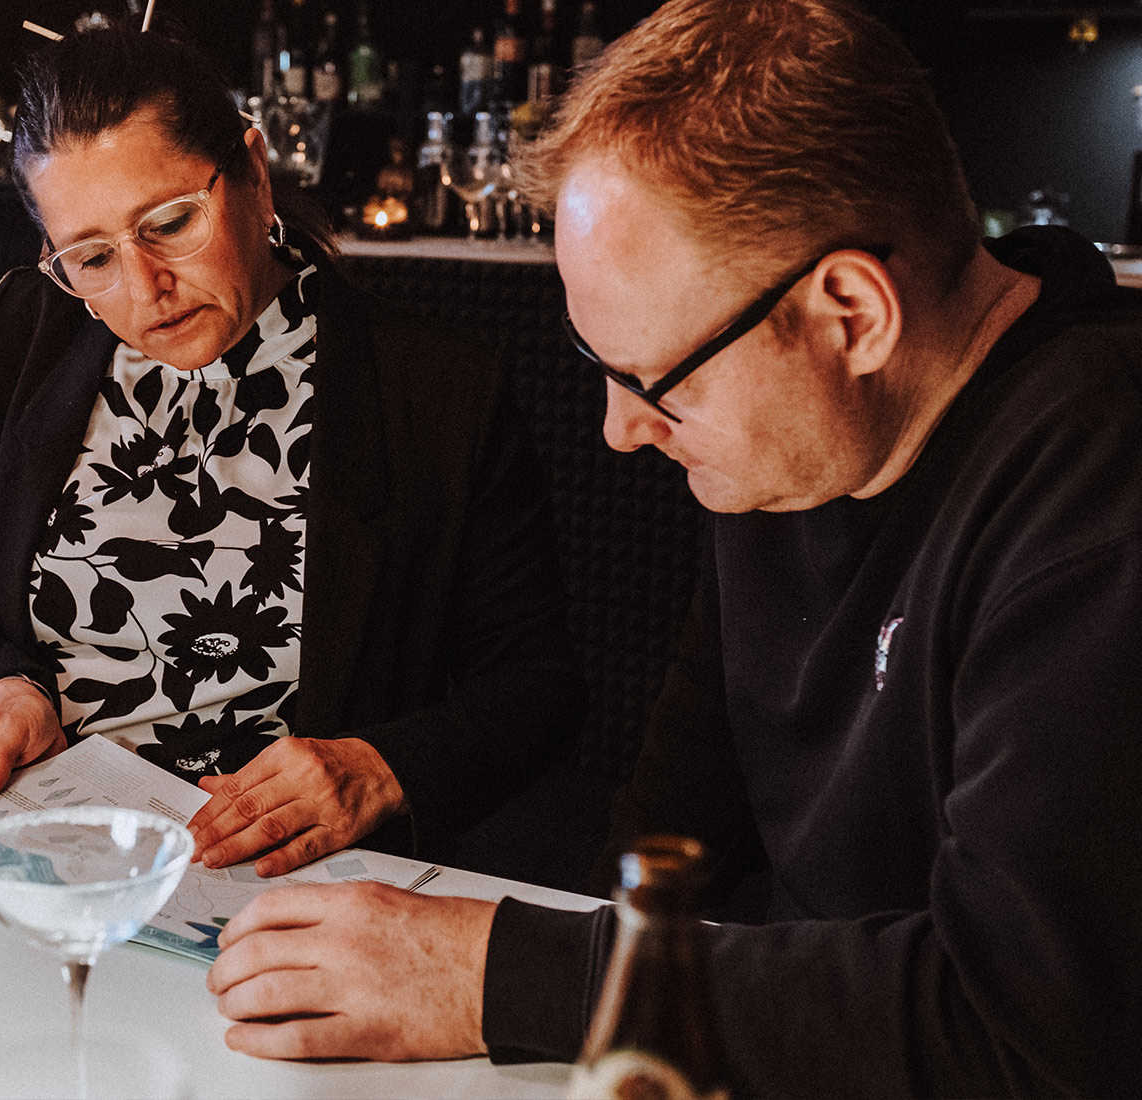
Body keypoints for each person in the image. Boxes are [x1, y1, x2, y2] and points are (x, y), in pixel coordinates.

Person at [204, 0, 1142, 1093]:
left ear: (850, 313)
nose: (621, 429)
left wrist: (486, 972)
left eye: (656, 379)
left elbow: (1028, 1029)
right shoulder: (802, 434)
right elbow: (674, 816)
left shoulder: (1098, 502)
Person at [0, 16, 583, 878]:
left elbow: (536, 686)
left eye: (171, 222)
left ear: (253, 170)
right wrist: (2, 688)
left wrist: (379, 769)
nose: (145, 288)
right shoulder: (29, 332)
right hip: (51, 843)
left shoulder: (434, 387)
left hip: (286, 874)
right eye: (91, 258)